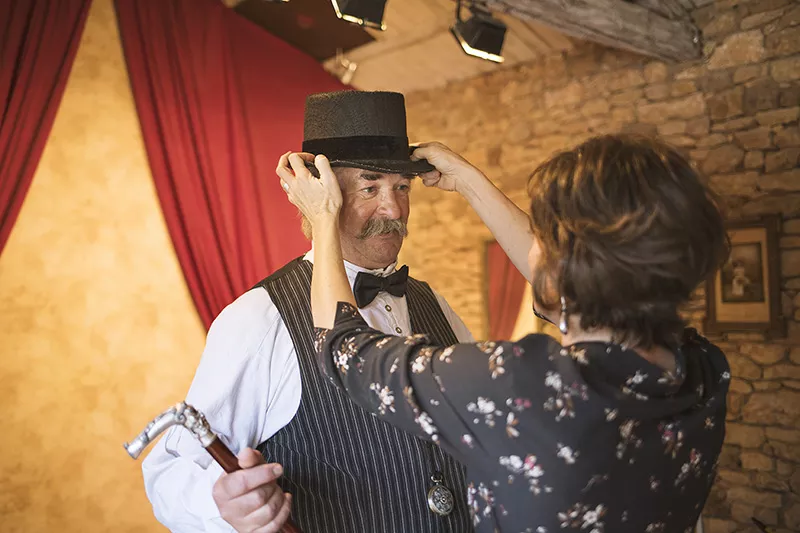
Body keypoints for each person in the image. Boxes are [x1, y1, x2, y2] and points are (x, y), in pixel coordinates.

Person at [278, 134, 731, 533]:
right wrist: (468, 181)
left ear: (572, 266)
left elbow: (344, 348)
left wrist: (323, 220)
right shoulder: (704, 368)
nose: (535, 247)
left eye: (546, 236)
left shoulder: (521, 384)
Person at [142, 91, 475, 533]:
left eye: (401, 188)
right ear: (322, 193)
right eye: (370, 186)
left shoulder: (435, 304)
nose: (393, 209)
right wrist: (221, 504)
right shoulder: (260, 317)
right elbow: (169, 471)